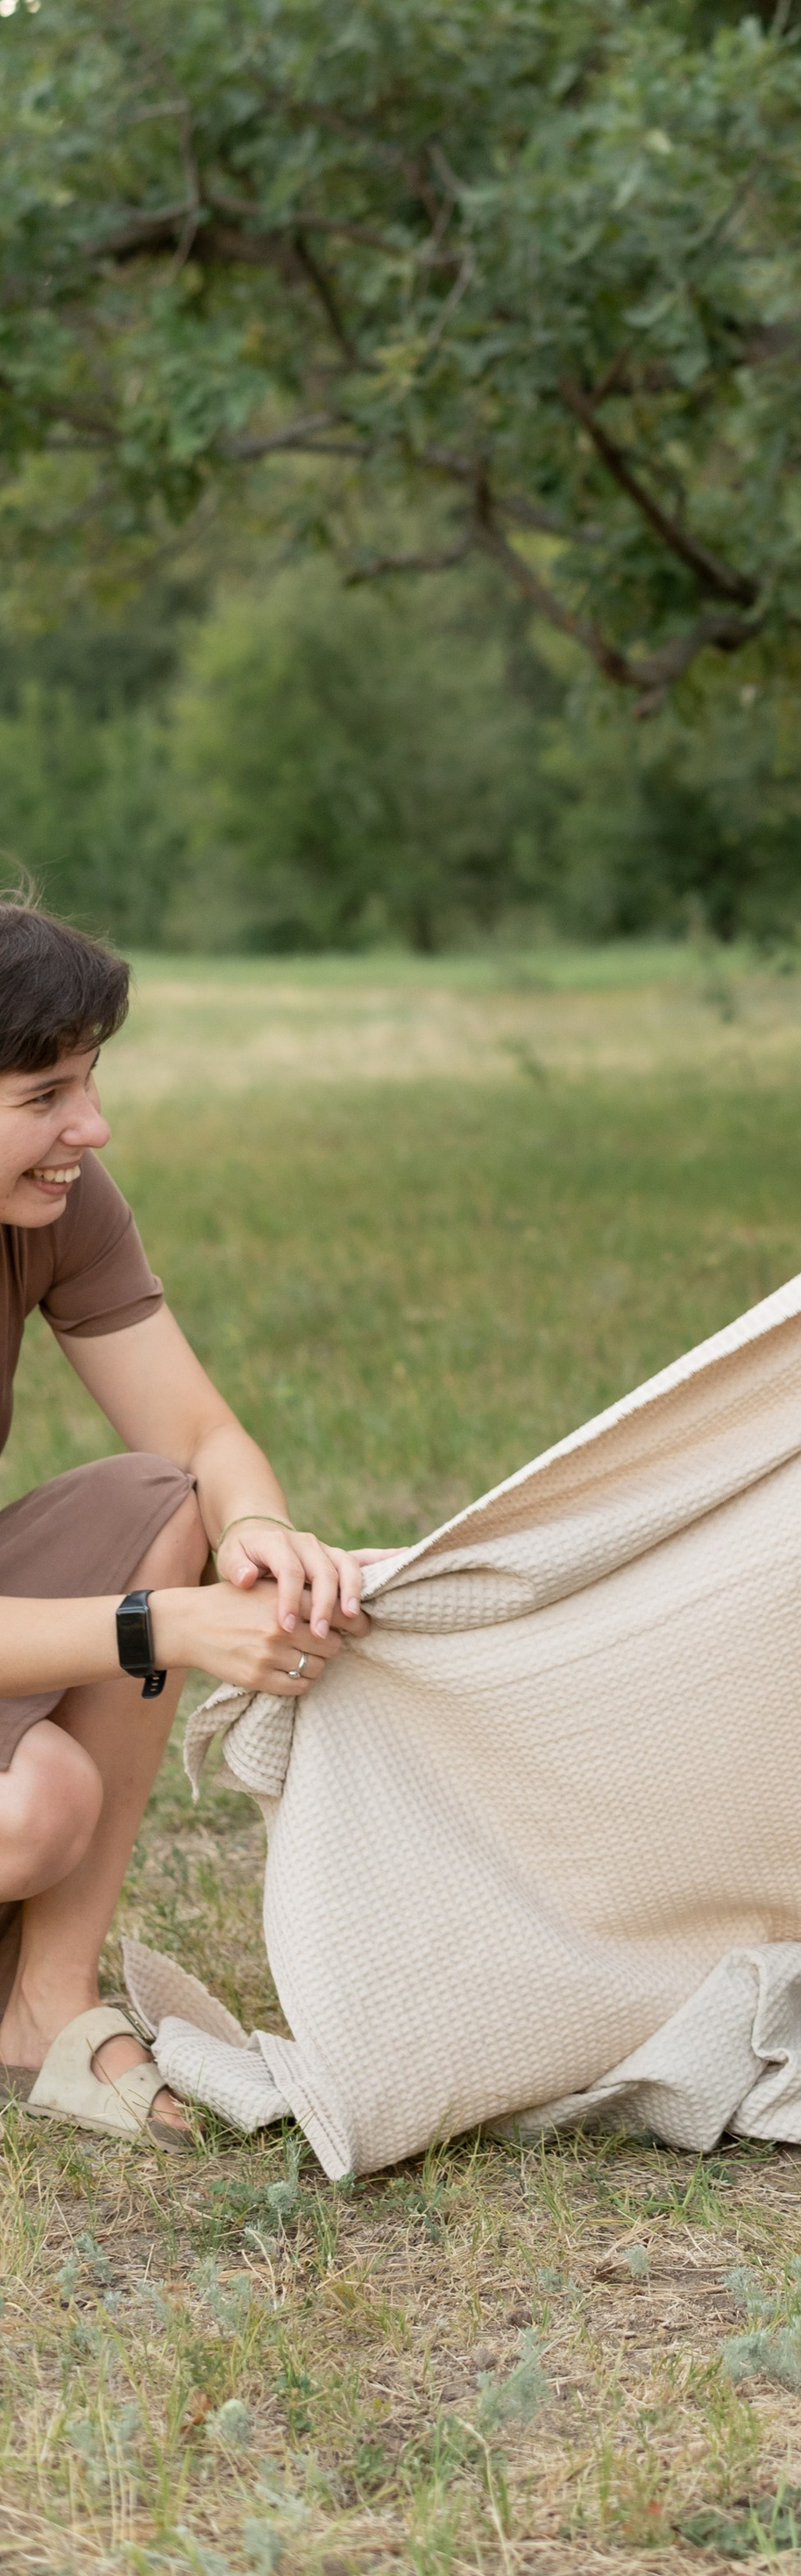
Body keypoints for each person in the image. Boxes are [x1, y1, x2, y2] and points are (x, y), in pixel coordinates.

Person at [0, 898, 365, 2149]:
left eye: (90, 1082)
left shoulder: (63, 1203)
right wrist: (167, 1626)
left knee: (167, 1505)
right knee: (28, 1810)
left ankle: (45, 2007)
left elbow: (201, 1444)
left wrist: (256, 1528)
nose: (89, 1130)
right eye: (44, 1095)